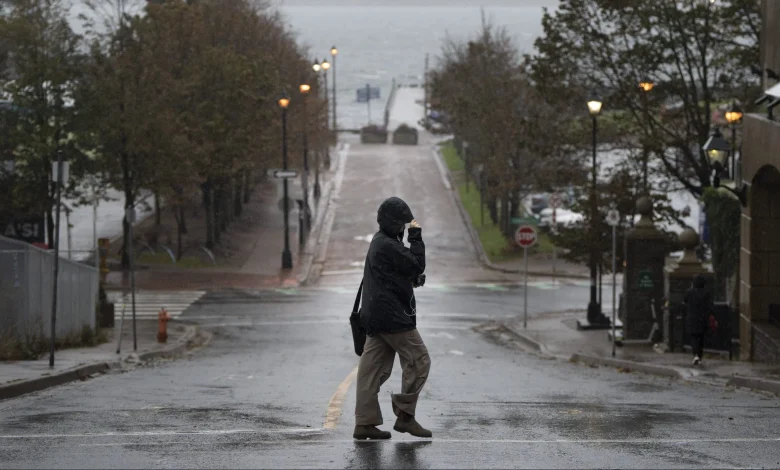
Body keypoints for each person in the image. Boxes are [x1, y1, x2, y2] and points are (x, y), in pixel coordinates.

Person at [353, 196, 432, 440]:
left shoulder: (380, 243)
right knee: (420, 361)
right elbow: (417, 264)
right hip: (393, 317)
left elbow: (394, 273)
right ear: (390, 223)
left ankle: (364, 423)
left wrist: (410, 280)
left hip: (375, 316)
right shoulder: (388, 244)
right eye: (401, 224)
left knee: (372, 370)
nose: (403, 228)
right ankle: (405, 416)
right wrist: (416, 237)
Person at [684, 274, 714, 366]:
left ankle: (695, 354)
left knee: (694, 337)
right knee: (701, 338)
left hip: (692, 318)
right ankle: (699, 356)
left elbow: (685, 301)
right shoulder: (706, 293)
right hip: (702, 318)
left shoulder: (689, 292)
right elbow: (710, 305)